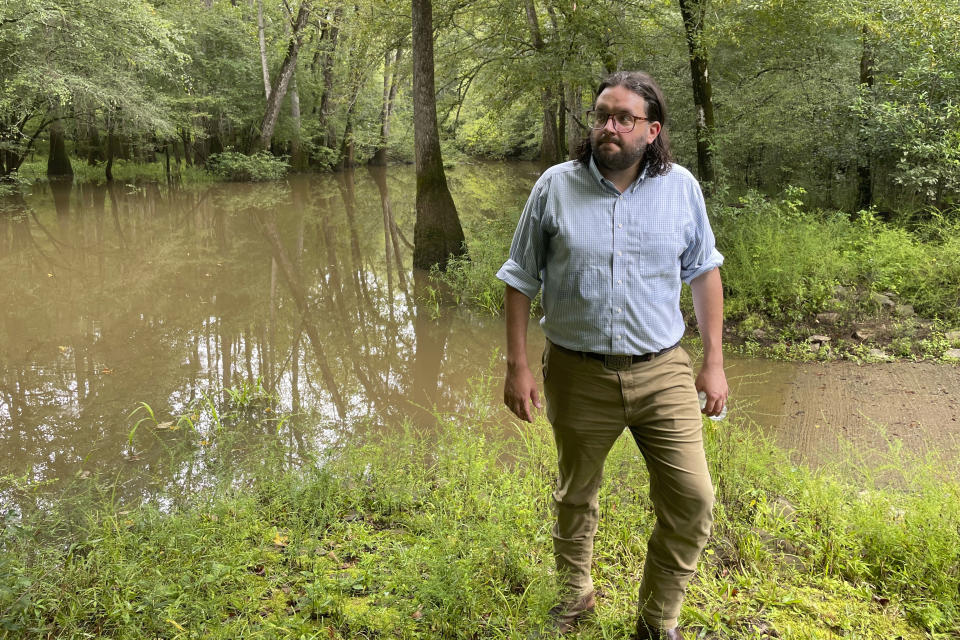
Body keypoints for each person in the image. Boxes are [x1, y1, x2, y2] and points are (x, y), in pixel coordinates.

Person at [497, 70, 728, 640]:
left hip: (663, 370)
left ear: (651, 130)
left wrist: (714, 361)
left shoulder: (681, 188)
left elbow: (703, 271)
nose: (609, 126)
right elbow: (520, 277)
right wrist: (518, 365)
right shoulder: (555, 186)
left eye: (624, 118)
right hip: (577, 372)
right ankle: (576, 596)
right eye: (602, 114)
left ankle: (658, 620)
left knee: (694, 499)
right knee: (576, 492)